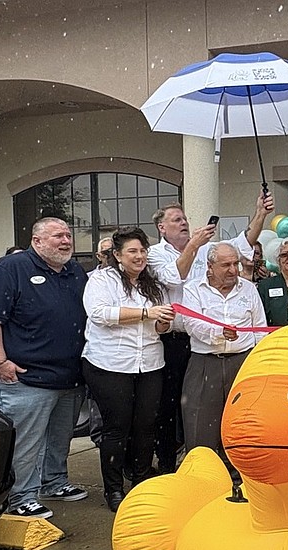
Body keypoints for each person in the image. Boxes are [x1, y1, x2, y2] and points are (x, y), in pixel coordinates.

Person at [147, 192, 274, 473]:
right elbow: (173, 278)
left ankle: (236, 466)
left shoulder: (215, 253)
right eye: (177, 219)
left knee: (238, 415)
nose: (184, 223)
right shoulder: (156, 255)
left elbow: (243, 244)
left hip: (233, 353)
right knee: (182, 410)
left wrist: (260, 214)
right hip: (177, 342)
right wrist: (194, 244)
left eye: (185, 219)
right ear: (161, 227)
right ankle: (181, 465)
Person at [0, 217, 88, 518]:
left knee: (60, 439)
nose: (66, 241)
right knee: (24, 443)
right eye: (57, 236)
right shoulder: (10, 269)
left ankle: (54, 481)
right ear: (36, 241)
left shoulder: (75, 272)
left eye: (67, 235)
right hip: (26, 377)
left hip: (68, 377)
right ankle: (19, 496)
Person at [82, 227, 175, 510]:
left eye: (143, 251)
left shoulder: (153, 284)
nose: (139, 256)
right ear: (118, 256)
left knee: (146, 425)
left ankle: (141, 480)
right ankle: (113, 489)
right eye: (132, 251)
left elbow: (162, 325)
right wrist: (147, 314)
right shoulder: (101, 279)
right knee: (117, 428)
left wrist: (163, 321)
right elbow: (100, 314)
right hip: (109, 364)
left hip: (149, 362)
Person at [180, 242, 267, 483]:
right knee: (200, 425)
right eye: (226, 265)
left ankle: (241, 477)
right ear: (210, 266)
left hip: (242, 362)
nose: (233, 270)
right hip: (205, 363)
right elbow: (191, 324)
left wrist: (259, 364)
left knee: (243, 423)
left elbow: (260, 328)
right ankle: (201, 478)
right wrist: (219, 333)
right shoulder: (194, 289)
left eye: (235, 264)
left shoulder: (249, 289)